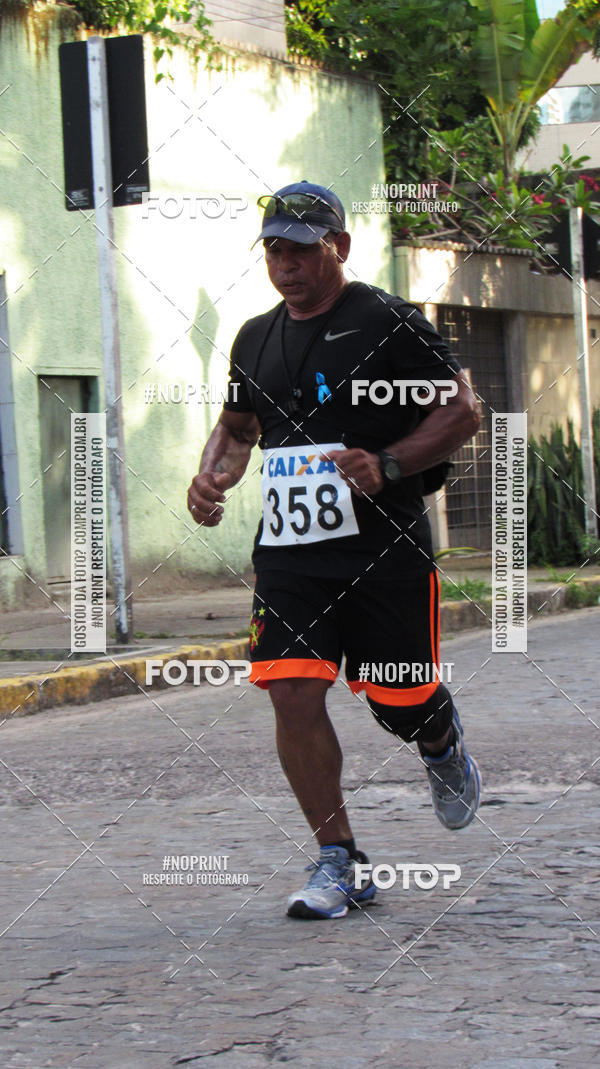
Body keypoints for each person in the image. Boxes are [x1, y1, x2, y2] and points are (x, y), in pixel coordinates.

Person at [187, 180, 482, 920]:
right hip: (291, 552)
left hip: (384, 547)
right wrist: (213, 474)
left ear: (338, 247)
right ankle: (339, 859)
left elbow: (463, 409)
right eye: (273, 251)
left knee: (398, 697)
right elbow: (239, 426)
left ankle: (438, 740)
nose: (284, 265)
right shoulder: (254, 337)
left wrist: (388, 464)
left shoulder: (387, 320)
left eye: (300, 249)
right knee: (290, 688)